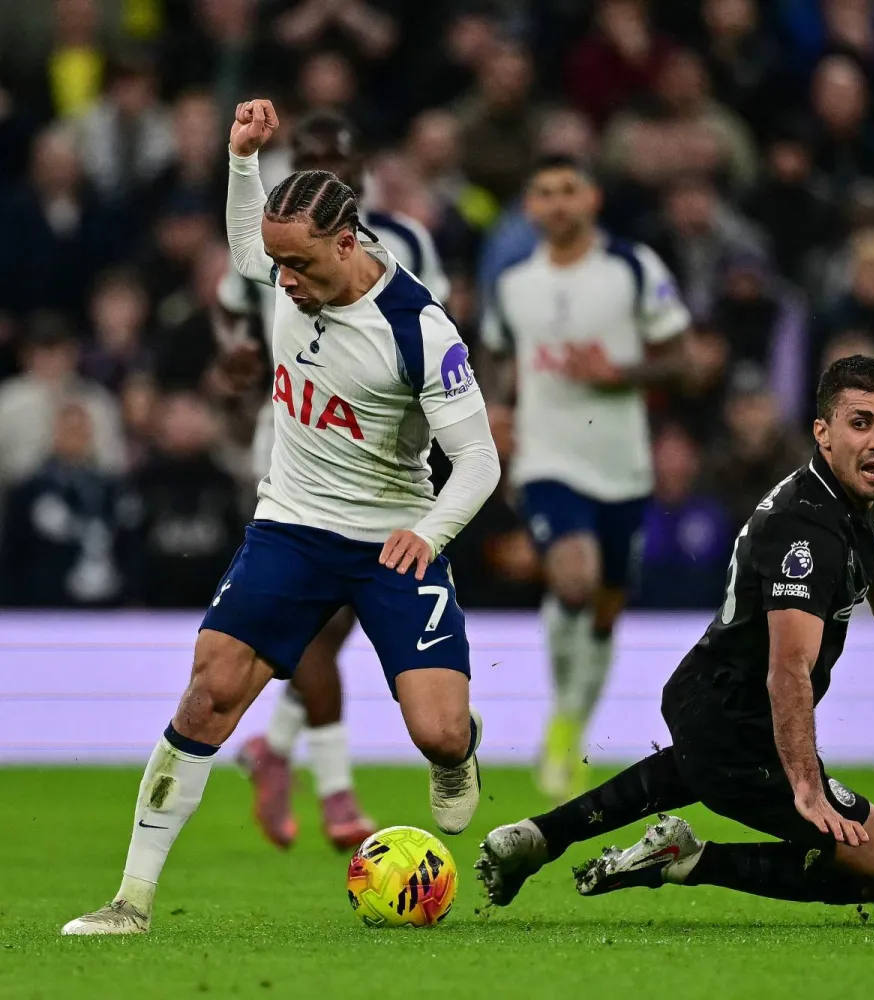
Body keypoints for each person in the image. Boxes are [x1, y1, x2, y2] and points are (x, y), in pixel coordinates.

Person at [62, 98, 500, 936]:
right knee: (207, 697)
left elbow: (479, 461)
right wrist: (239, 159)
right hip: (291, 527)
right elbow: (243, 250)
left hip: (395, 541)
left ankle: (459, 747)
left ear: (348, 243)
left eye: (296, 265)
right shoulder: (282, 270)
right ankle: (131, 902)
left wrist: (429, 533)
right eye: (277, 267)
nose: (283, 282)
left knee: (438, 733)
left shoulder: (419, 330)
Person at [474, 355, 874, 910]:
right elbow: (787, 669)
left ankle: (537, 837)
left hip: (721, 704)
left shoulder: (873, 498)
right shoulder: (804, 533)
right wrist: (807, 788)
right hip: (735, 714)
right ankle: (689, 859)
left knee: (695, 772)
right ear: (823, 432)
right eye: (860, 423)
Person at [222, 109, 449, 853]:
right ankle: (337, 789)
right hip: (294, 440)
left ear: (360, 170)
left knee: (337, 616)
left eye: (337, 158)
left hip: (379, 448)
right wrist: (237, 361)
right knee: (314, 613)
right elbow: (234, 316)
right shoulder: (270, 231)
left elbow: (433, 331)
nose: (326, 168)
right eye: (311, 156)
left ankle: (275, 745)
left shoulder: (406, 246)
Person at [482, 154, 690, 801]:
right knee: (572, 578)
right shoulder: (514, 282)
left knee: (606, 606)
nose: (557, 203)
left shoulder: (631, 267)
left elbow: (681, 358)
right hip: (547, 458)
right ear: (530, 207)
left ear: (591, 199)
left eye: (568, 190)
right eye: (544, 193)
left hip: (622, 463)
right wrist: (496, 406)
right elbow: (494, 351)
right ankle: (562, 724)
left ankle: (570, 719)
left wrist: (619, 373)